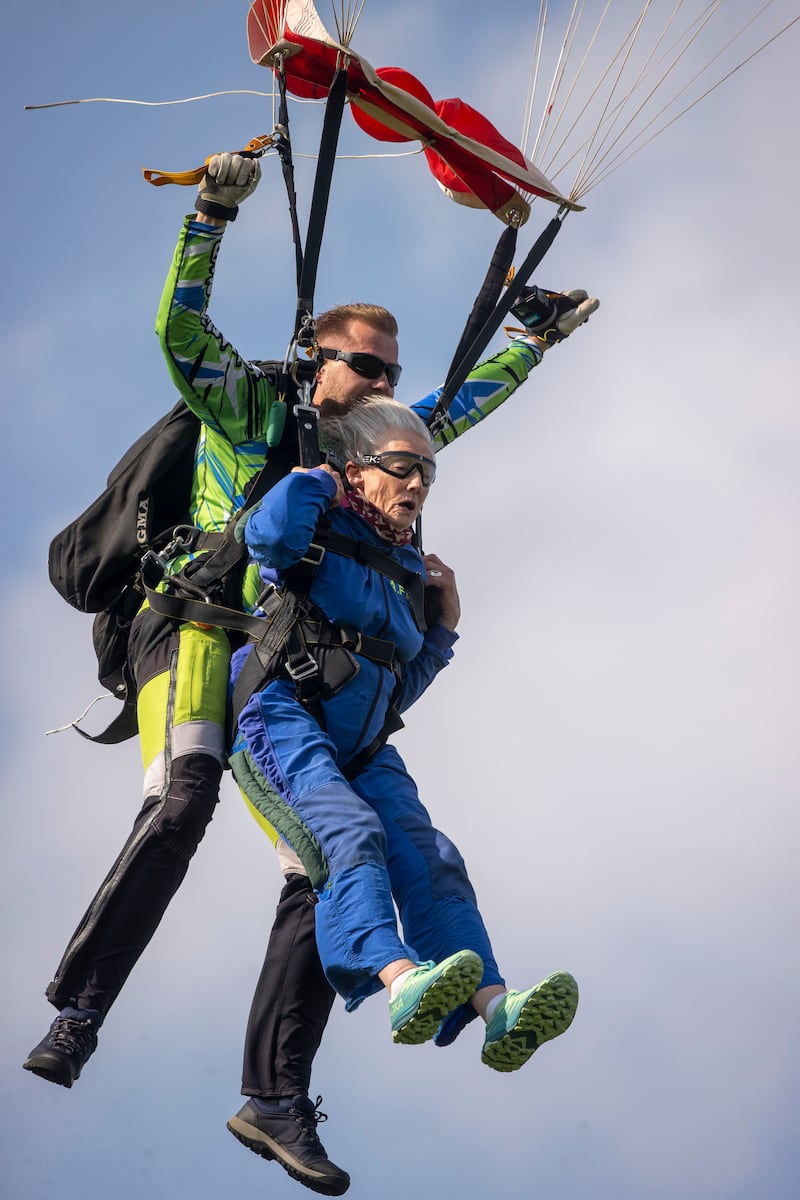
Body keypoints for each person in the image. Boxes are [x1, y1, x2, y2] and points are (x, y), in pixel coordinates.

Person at [23, 152, 597, 1196]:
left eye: (390, 373)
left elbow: (450, 412)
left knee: (323, 864)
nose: (384, 389)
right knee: (185, 791)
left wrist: (527, 344)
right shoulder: (257, 412)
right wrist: (208, 218)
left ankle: (274, 1096)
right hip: (194, 625)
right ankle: (79, 1012)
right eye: (365, 369)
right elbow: (180, 339)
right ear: (314, 355)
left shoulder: (370, 454)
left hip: (283, 651)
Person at [227, 396, 578, 1083]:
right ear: (358, 472)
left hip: (364, 745)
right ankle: (396, 981)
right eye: (402, 468)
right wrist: (318, 478)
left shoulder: (405, 565)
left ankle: (497, 1007)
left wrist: (442, 629)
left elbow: (395, 686)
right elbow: (265, 540)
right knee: (349, 835)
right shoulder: (318, 518)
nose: (418, 483)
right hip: (283, 716)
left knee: (432, 857)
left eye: (428, 474)